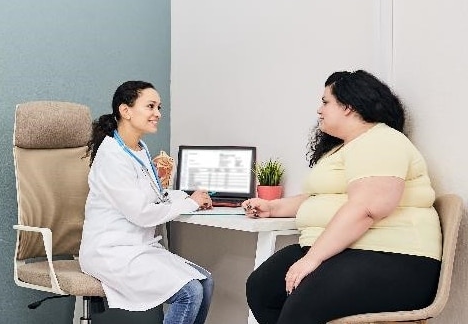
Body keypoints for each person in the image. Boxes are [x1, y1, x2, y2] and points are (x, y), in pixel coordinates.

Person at [244, 70, 441, 324]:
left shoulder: (381, 141)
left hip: (395, 258)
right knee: (263, 289)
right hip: (351, 252)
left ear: (348, 106)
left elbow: (366, 208)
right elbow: (320, 197)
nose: (319, 110)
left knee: (302, 306)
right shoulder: (344, 148)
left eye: (326, 102)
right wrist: (272, 207)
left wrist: (313, 259)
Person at [79, 80, 214, 324]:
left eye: (159, 107)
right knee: (189, 292)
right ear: (125, 110)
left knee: (205, 282)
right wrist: (190, 204)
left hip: (138, 247)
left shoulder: (139, 148)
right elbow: (141, 213)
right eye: (150, 106)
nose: (158, 114)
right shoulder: (112, 156)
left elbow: (154, 195)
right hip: (111, 251)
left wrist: (188, 196)